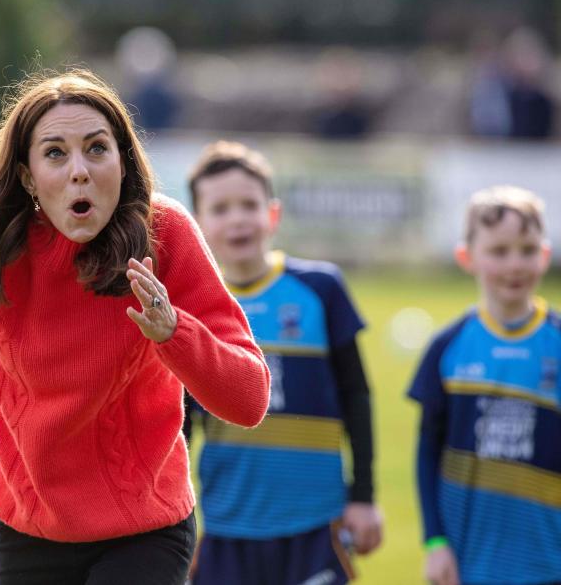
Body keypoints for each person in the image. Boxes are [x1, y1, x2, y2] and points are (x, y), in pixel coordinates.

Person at [0, 70, 271, 585]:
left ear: (123, 163)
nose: (79, 171)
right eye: (55, 153)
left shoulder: (164, 233)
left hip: (146, 530)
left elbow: (249, 400)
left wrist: (175, 333)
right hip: (26, 529)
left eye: (97, 149)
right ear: (27, 175)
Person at [184, 141, 383, 585]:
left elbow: (357, 396)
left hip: (316, 522)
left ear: (272, 214)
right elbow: (179, 422)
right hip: (225, 525)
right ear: (197, 225)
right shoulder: (191, 307)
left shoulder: (321, 289)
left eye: (248, 204)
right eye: (220, 208)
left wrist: (364, 496)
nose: (237, 218)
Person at [408, 186, 560, 585]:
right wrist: (434, 542)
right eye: (499, 251)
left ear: (544, 255)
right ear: (467, 257)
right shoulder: (448, 347)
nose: (515, 264)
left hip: (548, 562)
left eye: (527, 250)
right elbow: (427, 454)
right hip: (467, 563)